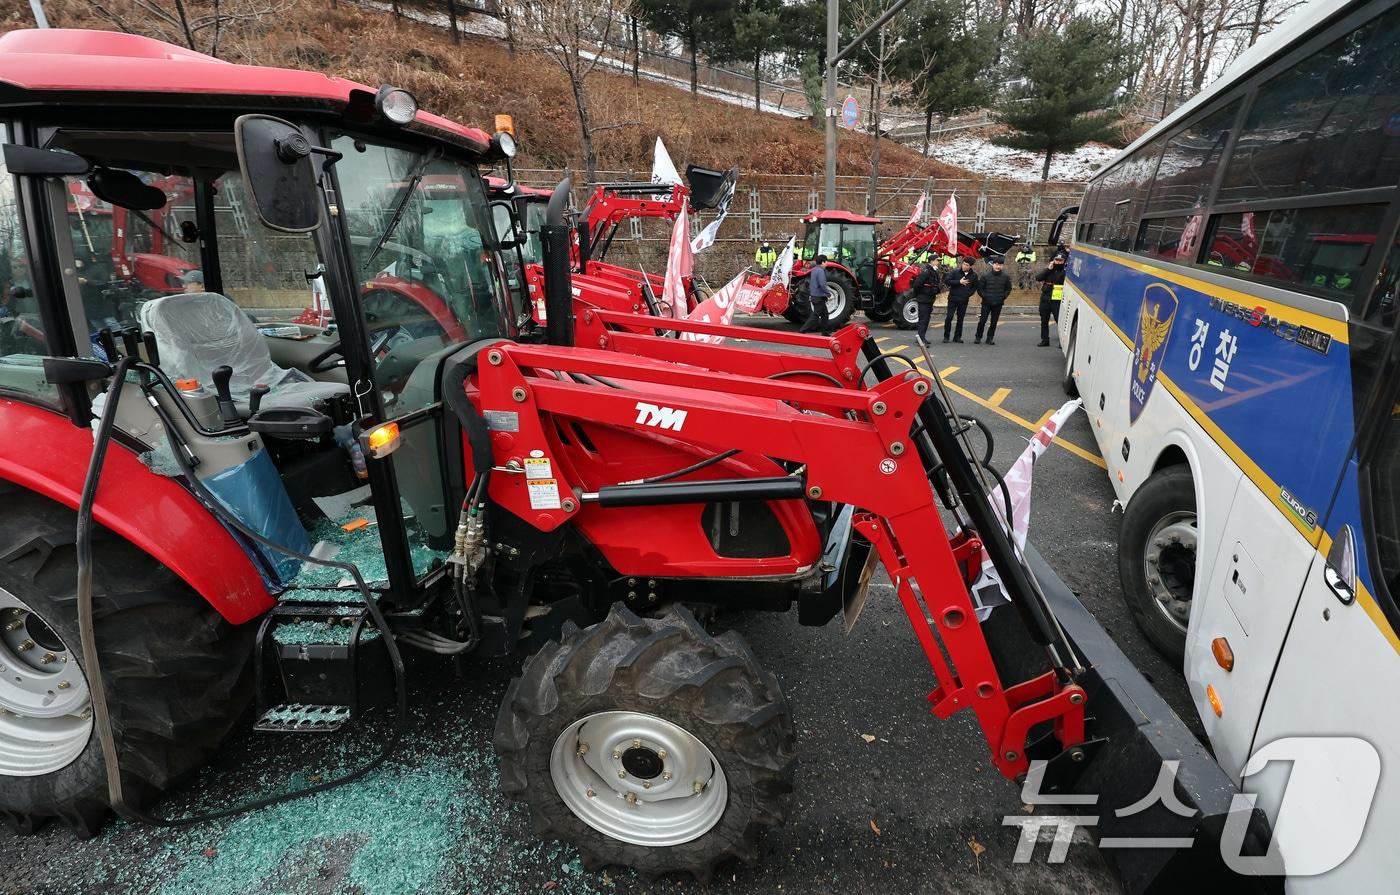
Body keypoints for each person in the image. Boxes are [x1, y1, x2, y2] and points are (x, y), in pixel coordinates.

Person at [975, 256, 1012, 345]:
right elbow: (980, 289)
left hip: (998, 303)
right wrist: (985, 296)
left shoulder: (1006, 277)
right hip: (986, 303)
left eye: (1000, 265)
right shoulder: (985, 276)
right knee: (982, 321)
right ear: (993, 264)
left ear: (1002, 266)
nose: (998, 266)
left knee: (994, 322)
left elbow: (1008, 288)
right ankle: (978, 337)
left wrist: (1003, 296)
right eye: (996, 264)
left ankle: (990, 338)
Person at [942, 256, 978, 343]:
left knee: (960, 319)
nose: (964, 266)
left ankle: (957, 337)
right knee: (949, 317)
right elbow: (947, 281)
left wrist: (968, 294)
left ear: (970, 266)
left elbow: (974, 287)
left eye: (967, 265)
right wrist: (959, 282)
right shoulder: (955, 272)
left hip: (963, 300)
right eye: (964, 264)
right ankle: (946, 336)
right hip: (953, 299)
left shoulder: (974, 275)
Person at [1035, 251, 1067, 346]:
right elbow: (1038, 278)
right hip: (1046, 298)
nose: (1058, 262)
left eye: (1060, 260)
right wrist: (1048, 269)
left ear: (1064, 261)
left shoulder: (1065, 271)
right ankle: (1045, 340)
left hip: (1057, 300)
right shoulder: (1049, 270)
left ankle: (1062, 342)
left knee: (1059, 321)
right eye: (1056, 260)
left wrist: (1064, 269)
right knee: (1044, 320)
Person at [908, 255, 942, 344]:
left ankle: (922, 337)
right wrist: (918, 295)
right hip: (924, 299)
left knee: (926, 319)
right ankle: (920, 339)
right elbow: (917, 284)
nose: (938, 262)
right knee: (923, 319)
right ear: (932, 261)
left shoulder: (933, 271)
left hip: (929, 298)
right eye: (937, 260)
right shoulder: (926, 271)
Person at [800, 254, 832, 335]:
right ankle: (802, 330)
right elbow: (822, 284)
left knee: (825, 314)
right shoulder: (820, 271)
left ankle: (825, 332)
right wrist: (827, 293)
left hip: (815, 296)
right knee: (815, 315)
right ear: (822, 262)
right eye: (826, 262)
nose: (827, 264)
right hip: (819, 297)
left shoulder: (814, 270)